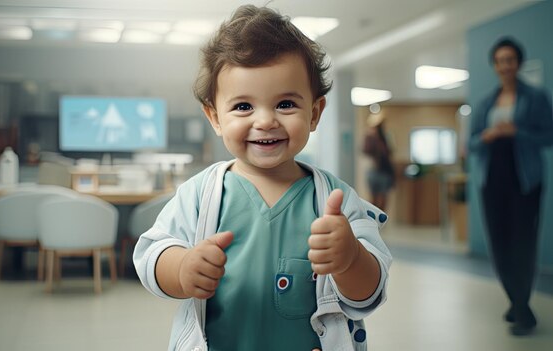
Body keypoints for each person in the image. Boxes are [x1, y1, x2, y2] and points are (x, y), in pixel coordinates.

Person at [133, 5, 391, 351]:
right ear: (214, 117)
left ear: (314, 114)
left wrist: (350, 259)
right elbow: (152, 254)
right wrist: (181, 268)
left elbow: (369, 294)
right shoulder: (200, 194)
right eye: (243, 106)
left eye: (285, 104)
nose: (266, 120)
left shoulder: (336, 201)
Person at [469, 37, 553, 336]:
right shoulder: (485, 102)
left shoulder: (535, 97)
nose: (505, 65)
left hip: (526, 181)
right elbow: (471, 142)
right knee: (500, 243)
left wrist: (518, 131)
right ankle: (515, 299)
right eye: (500, 60)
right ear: (495, 65)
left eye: (511, 60)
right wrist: (488, 136)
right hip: (492, 180)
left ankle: (522, 307)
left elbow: (548, 136)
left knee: (522, 243)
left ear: (518, 63)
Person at [362, 112, 395, 210]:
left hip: (384, 172)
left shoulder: (386, 137)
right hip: (374, 172)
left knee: (382, 199)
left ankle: (380, 222)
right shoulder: (369, 138)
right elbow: (366, 151)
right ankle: (372, 223)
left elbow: (389, 153)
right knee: (373, 200)